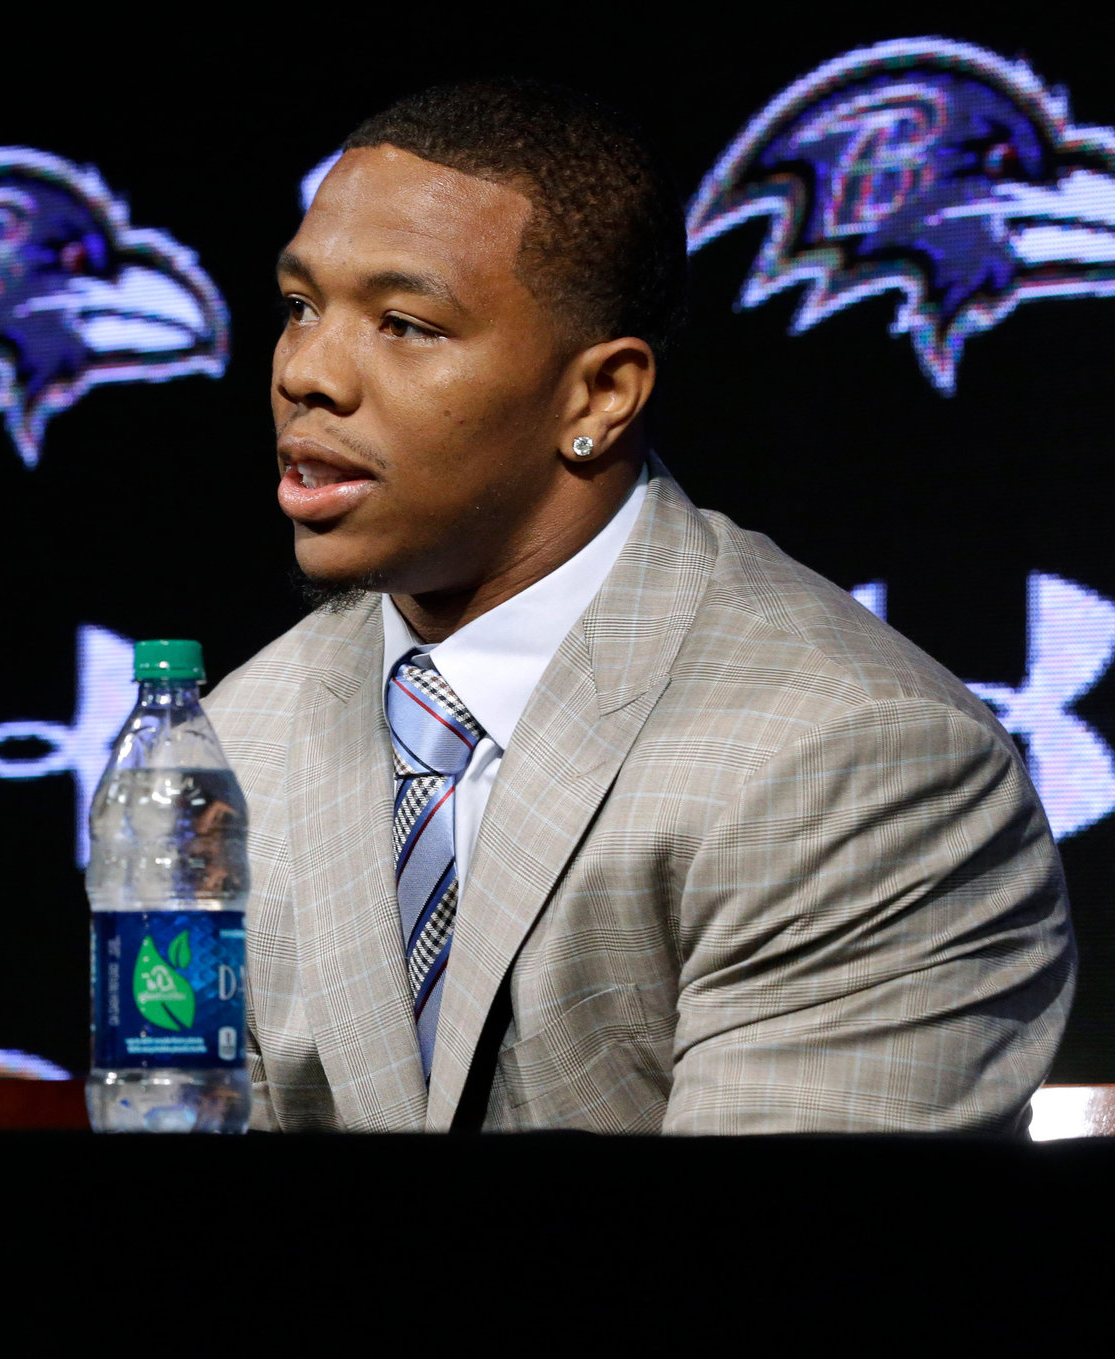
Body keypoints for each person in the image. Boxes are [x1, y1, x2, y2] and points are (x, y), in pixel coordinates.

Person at [207, 80, 1074, 1133]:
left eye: (404, 324)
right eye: (298, 307)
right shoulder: (231, 746)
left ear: (598, 396)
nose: (308, 373)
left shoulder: (858, 764)